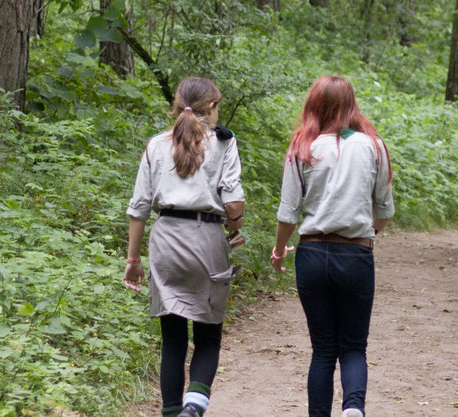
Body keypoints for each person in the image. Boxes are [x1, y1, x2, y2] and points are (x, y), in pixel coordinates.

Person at [270, 75, 395, 417]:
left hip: (310, 255)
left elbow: (287, 213)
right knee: (354, 347)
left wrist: (280, 250)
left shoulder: (301, 147)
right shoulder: (374, 146)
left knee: (323, 350)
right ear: (351, 104)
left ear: (314, 105)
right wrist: (364, 234)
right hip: (356, 255)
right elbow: (384, 211)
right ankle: (353, 409)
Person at [124, 76, 245, 417]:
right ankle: (194, 405)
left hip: (165, 241)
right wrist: (235, 222)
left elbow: (139, 208)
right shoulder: (224, 144)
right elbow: (233, 203)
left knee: (173, 340)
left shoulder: (156, 145)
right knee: (207, 335)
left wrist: (133, 259)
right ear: (211, 108)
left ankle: (172, 411)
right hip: (205, 241)